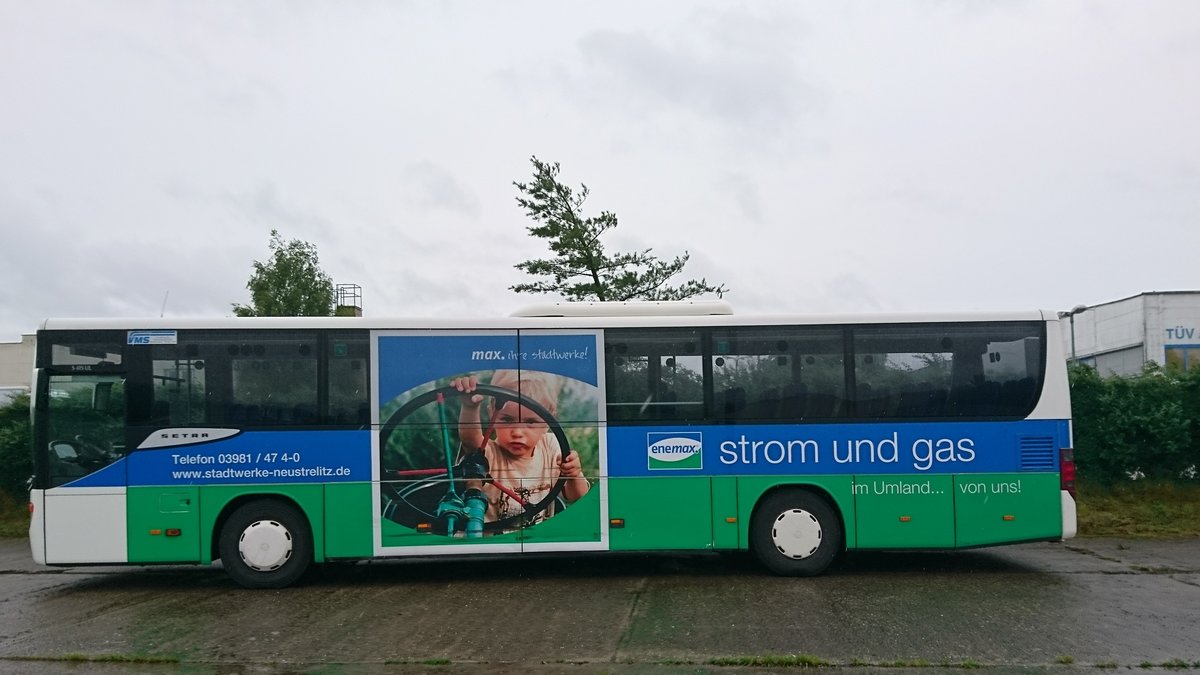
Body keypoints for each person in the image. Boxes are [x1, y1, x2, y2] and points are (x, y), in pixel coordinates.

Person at [451, 370, 590, 528]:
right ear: (492, 414)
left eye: (530, 422)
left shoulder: (551, 446)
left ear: (547, 421)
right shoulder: (487, 453)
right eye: (507, 419)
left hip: (536, 541)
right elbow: (470, 441)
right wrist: (470, 408)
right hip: (490, 543)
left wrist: (573, 474)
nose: (517, 432)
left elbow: (577, 496)